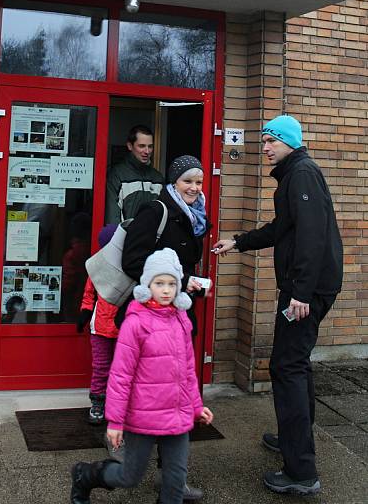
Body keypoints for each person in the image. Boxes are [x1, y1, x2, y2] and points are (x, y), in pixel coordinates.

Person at [213, 115, 343, 496]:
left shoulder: (302, 174)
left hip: (307, 290)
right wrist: (239, 242)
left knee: (287, 366)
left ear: (289, 142)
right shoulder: (293, 174)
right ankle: (294, 440)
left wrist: (300, 293)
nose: (265, 147)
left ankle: (301, 471)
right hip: (306, 287)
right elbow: (282, 228)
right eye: (264, 141)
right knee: (295, 364)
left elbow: (311, 236)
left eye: (271, 140)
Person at [70, 248, 213, 504]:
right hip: (143, 415)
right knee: (129, 476)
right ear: (147, 285)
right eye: (159, 283)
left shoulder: (182, 320)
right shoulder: (135, 324)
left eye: (172, 284)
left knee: (175, 480)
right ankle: (85, 475)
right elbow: (120, 376)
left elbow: (188, 371)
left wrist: (196, 406)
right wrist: (115, 422)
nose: (166, 290)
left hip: (177, 413)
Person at [119, 154, 212, 502]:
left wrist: (190, 282)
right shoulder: (155, 210)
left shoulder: (196, 216)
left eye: (199, 181)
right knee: (153, 394)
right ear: (174, 182)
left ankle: (173, 481)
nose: (194, 187)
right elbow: (132, 260)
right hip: (152, 319)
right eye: (188, 181)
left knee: (177, 396)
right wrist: (180, 281)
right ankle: (127, 464)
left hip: (180, 314)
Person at [76, 225, 119, 425]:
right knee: (101, 367)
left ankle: (118, 405)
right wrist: (85, 312)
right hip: (100, 326)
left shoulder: (131, 264)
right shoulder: (98, 266)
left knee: (122, 369)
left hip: (124, 328)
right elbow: (89, 293)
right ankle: (97, 402)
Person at [105, 125, 163, 224]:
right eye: (142, 146)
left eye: (150, 146)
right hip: (126, 237)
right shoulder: (117, 175)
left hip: (152, 238)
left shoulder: (158, 178)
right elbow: (112, 217)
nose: (147, 151)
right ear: (130, 146)